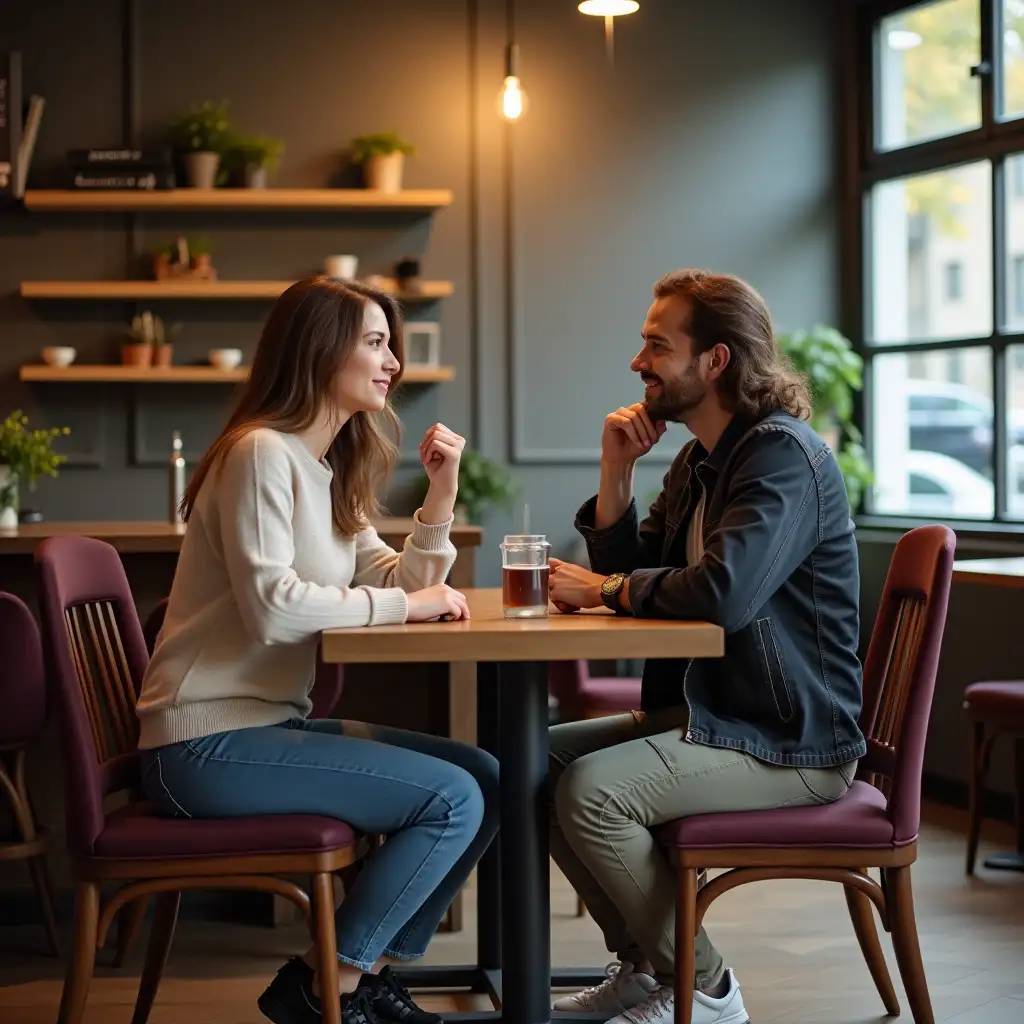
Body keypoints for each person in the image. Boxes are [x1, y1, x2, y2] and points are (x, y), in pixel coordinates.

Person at [135, 276, 499, 1024]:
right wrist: (411, 604)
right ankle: (327, 981)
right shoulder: (260, 454)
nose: (393, 360)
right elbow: (275, 610)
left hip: (262, 728)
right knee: (452, 797)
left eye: (391, 343)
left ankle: (362, 975)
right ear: (318, 349)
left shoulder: (322, 468)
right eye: (374, 342)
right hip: (202, 745)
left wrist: (440, 493)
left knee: (483, 775)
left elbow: (399, 578)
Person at [545, 269, 865, 1024]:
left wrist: (610, 592)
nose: (638, 361)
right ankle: (649, 968)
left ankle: (707, 988)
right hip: (714, 712)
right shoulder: (700, 461)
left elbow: (719, 595)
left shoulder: (780, 455)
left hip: (791, 740)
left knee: (591, 792)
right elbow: (633, 570)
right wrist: (616, 469)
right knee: (536, 761)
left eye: (658, 344)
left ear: (715, 361)